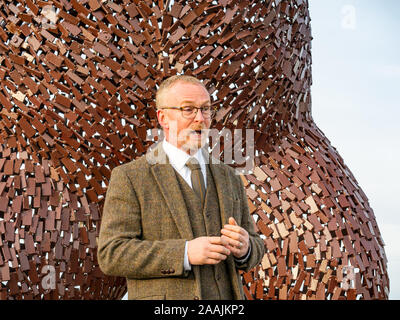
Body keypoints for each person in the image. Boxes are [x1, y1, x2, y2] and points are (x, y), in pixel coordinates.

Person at [98, 75, 265, 300]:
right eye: (188, 109)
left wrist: (246, 249)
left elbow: (256, 245)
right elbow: (112, 254)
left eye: (205, 109)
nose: (200, 118)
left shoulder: (230, 177)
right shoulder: (130, 177)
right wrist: (184, 253)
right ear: (163, 117)